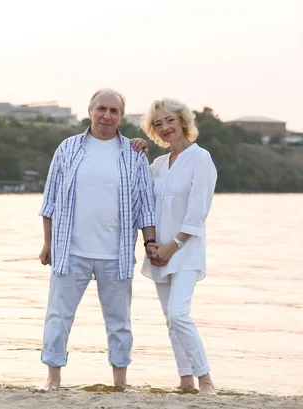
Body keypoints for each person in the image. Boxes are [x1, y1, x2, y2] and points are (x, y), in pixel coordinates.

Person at [38, 88, 158, 391]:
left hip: (115, 254)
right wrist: (47, 242)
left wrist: (150, 243)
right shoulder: (68, 148)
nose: (106, 115)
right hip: (69, 250)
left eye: (113, 111)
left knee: (119, 322)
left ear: (120, 116)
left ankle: (120, 383)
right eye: (101, 109)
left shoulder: (134, 153)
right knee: (58, 316)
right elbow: (49, 200)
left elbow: (146, 205)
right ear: (90, 111)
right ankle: (53, 380)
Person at [140, 97, 217, 395]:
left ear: (183, 120)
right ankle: (185, 379)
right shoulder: (157, 165)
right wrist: (151, 245)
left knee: (178, 313)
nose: (165, 127)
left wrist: (172, 245)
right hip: (158, 251)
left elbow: (198, 211)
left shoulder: (202, 159)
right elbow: (145, 205)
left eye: (170, 120)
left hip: (186, 250)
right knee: (169, 319)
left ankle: (205, 379)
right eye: (158, 124)